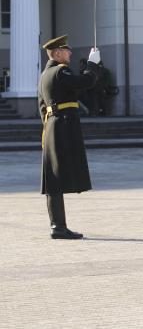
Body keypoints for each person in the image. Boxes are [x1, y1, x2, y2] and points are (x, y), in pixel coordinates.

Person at [38, 35, 101, 240]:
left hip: (52, 126)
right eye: (67, 50)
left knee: (53, 178)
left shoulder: (45, 74)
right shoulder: (60, 71)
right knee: (56, 177)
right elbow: (84, 82)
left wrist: (49, 125)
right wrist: (93, 64)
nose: (71, 53)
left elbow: (41, 106)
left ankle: (58, 226)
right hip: (63, 126)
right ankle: (58, 227)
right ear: (57, 53)